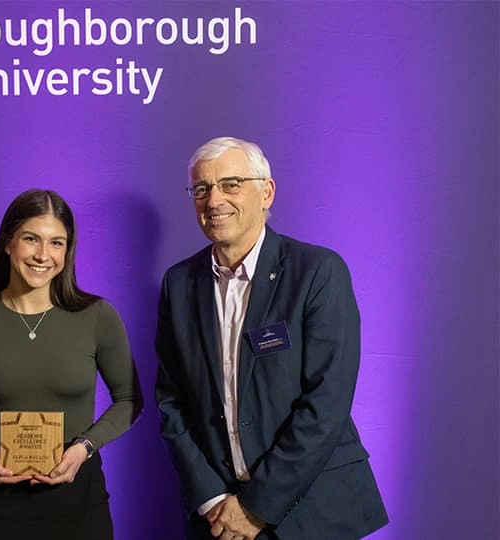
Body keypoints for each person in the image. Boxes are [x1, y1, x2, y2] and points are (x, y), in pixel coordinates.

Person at [155, 137, 388, 540]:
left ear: (266, 192)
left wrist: (255, 506)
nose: (214, 200)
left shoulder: (317, 272)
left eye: (231, 184)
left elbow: (326, 404)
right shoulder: (179, 283)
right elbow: (171, 400)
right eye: (202, 188)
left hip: (312, 512)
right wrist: (212, 499)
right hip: (217, 518)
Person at [0, 189, 143, 540]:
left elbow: (129, 400)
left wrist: (84, 449)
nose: (43, 255)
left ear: (68, 250)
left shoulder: (97, 316)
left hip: (79, 499)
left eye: (56, 243)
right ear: (8, 243)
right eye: (31, 239)